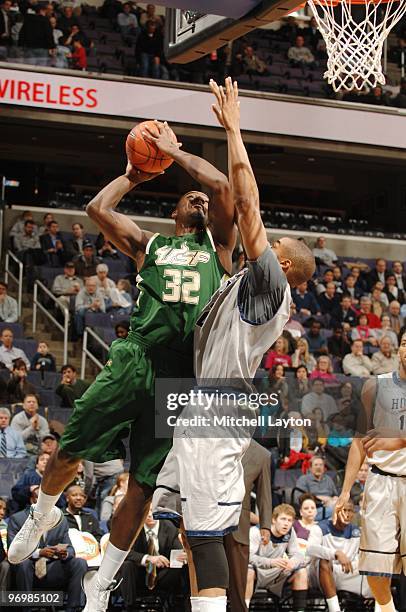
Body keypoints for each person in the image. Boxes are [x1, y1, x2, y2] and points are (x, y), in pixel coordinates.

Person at [8, 120, 237, 612]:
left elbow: (220, 184)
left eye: (201, 198)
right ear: (174, 211)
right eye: (189, 197)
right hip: (136, 358)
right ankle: (41, 515)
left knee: (143, 486)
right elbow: (97, 209)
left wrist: (174, 154)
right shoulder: (150, 245)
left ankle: (104, 581)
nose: (199, 198)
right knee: (70, 449)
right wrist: (134, 175)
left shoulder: (219, 248)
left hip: (182, 376)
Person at [152, 77, 315, 612]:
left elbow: (244, 196)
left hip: (220, 406)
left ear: (283, 263)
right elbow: (230, 203)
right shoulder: (241, 279)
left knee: (207, 534)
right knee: (198, 529)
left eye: (275, 243)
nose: (265, 239)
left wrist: (234, 129)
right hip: (205, 403)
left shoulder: (269, 284)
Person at [335, 332, 406, 612]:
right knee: (375, 568)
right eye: (404, 342)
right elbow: (359, 440)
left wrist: (400, 439)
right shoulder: (374, 386)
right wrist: (344, 493)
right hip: (381, 481)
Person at [8, 486, 86, 612]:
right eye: (41, 499)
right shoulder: (17, 519)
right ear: (32, 500)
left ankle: (74, 608)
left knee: (80, 563)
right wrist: (38, 552)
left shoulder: (61, 520)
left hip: (53, 568)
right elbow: (14, 552)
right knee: (24, 563)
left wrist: (64, 553)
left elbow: (71, 549)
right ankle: (26, 609)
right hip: (29, 570)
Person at [224, 440, 272, 612]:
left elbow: (264, 493)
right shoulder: (217, 441)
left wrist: (265, 525)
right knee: (209, 574)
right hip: (208, 519)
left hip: (239, 524)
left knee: (238, 581)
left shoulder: (262, 454)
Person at [116, 504, 186, 609]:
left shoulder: (169, 527)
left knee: (180, 566)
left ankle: (177, 605)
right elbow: (125, 552)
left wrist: (182, 556)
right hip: (139, 574)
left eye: (153, 511)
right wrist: (148, 558)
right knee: (127, 565)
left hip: (163, 573)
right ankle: (129, 607)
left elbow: (177, 550)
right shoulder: (133, 527)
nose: (150, 515)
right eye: (146, 511)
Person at [306, 499, 372, 611]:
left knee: (377, 561)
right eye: (344, 510)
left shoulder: (357, 532)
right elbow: (310, 549)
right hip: (322, 574)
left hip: (348, 571)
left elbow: (360, 556)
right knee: (324, 561)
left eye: (350, 511)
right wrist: (335, 553)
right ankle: (334, 609)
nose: (347, 514)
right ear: (335, 511)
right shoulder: (319, 528)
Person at [246, 504, 308, 611]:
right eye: (283, 519)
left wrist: (292, 563)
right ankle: (244, 608)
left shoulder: (290, 532)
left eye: (289, 520)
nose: (286, 523)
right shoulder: (256, 531)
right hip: (258, 572)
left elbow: (298, 554)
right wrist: (271, 562)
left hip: (277, 574)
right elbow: (248, 557)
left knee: (301, 571)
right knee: (248, 570)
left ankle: (300, 610)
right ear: (274, 520)